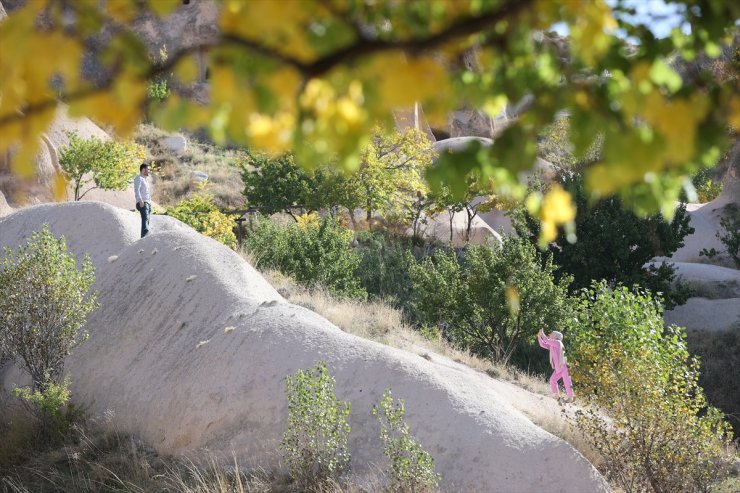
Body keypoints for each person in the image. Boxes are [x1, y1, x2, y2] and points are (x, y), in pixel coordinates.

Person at [538, 328, 574, 401]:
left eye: (551, 334)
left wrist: (542, 334)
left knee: (567, 382)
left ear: (555, 336)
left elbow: (547, 340)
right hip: (559, 368)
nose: (549, 335)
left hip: (564, 366)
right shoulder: (552, 345)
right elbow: (543, 344)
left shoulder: (558, 342)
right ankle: (556, 396)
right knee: (552, 380)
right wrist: (539, 336)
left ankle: (570, 397)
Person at [134, 163, 152, 238]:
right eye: (147, 169)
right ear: (143, 169)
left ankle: (144, 238)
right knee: (145, 217)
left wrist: (150, 203)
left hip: (147, 202)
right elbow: (137, 190)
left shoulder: (145, 180)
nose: (148, 171)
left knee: (147, 219)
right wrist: (140, 200)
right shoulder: (139, 178)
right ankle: (145, 233)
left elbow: (147, 193)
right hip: (142, 202)